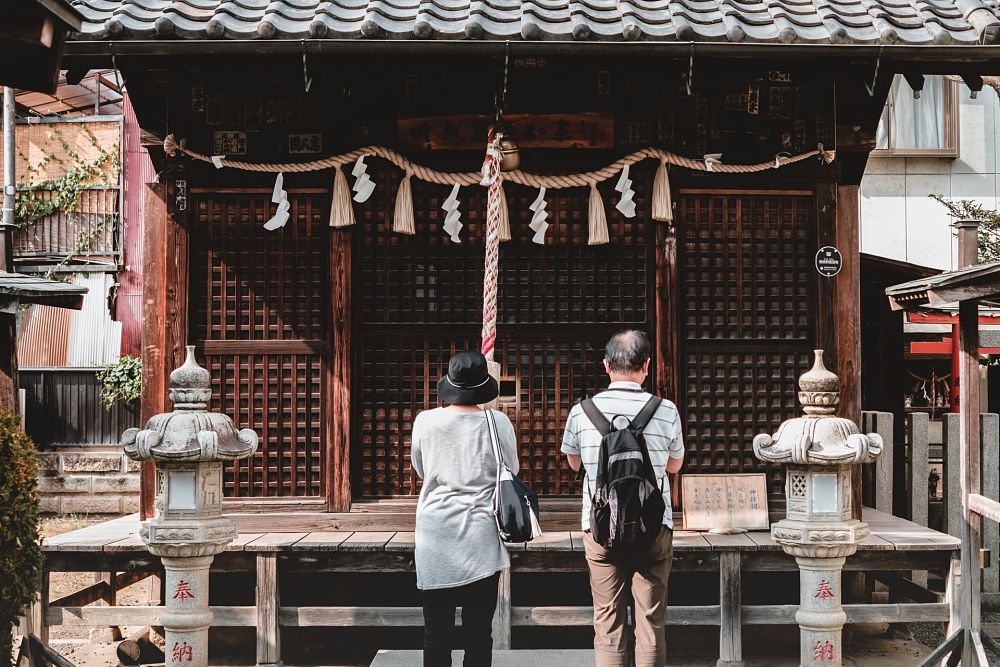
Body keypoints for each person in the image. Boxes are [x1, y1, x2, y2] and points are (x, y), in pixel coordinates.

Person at [561, 330, 685, 667]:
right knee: (651, 621)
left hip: (600, 526)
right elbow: (674, 466)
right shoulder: (666, 409)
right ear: (646, 365)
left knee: (607, 620)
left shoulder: (582, 411)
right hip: (654, 526)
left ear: (606, 365)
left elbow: (574, 464)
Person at [412, 350, 518, 667]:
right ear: (483, 384)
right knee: (478, 632)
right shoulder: (497, 422)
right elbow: (510, 468)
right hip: (481, 536)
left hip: (435, 535)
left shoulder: (426, 421)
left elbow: (421, 469)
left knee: (435, 631)